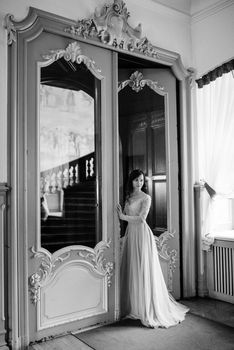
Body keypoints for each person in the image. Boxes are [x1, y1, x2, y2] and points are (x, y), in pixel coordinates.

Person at [117, 169, 189, 328]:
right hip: (131, 234)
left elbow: (142, 219)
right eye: (136, 180)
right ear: (131, 181)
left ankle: (148, 308)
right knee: (133, 268)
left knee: (144, 270)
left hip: (142, 235)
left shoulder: (146, 198)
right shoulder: (129, 197)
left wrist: (122, 217)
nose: (139, 183)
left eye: (141, 180)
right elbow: (130, 216)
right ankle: (135, 306)